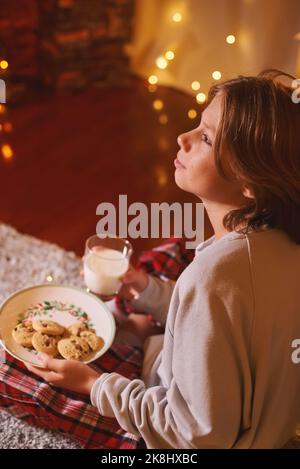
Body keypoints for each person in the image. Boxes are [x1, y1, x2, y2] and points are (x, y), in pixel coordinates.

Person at [2, 69, 300, 448]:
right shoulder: (280, 242)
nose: (183, 138)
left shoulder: (209, 280)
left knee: (9, 367)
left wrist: (92, 384)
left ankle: (143, 340)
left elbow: (196, 437)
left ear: (250, 182)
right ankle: (148, 333)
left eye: (206, 138)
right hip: (254, 409)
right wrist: (148, 291)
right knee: (166, 260)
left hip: (188, 440)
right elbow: (235, 312)